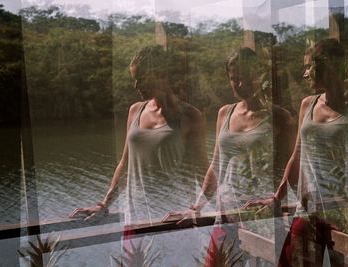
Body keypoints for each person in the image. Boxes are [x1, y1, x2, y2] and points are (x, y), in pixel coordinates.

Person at [243, 38, 348, 266]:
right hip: (308, 211)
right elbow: (297, 156)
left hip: (344, 215)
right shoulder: (308, 105)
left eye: (308, 66)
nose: (305, 74)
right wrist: (277, 197)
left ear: (327, 65)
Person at [69, 45, 208, 265]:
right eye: (134, 79)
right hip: (135, 221)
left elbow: (205, 172)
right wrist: (105, 204)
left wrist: (196, 209)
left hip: (171, 223)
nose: (136, 85)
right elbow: (125, 164)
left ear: (160, 73)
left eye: (141, 78)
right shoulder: (135, 110)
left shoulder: (190, 116)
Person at [163, 47, 293, 266]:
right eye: (234, 79)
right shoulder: (225, 113)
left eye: (245, 78)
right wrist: (197, 206)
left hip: (261, 216)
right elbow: (216, 167)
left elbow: (289, 168)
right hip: (226, 215)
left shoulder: (279, 117)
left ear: (259, 74)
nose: (240, 85)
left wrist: (277, 200)